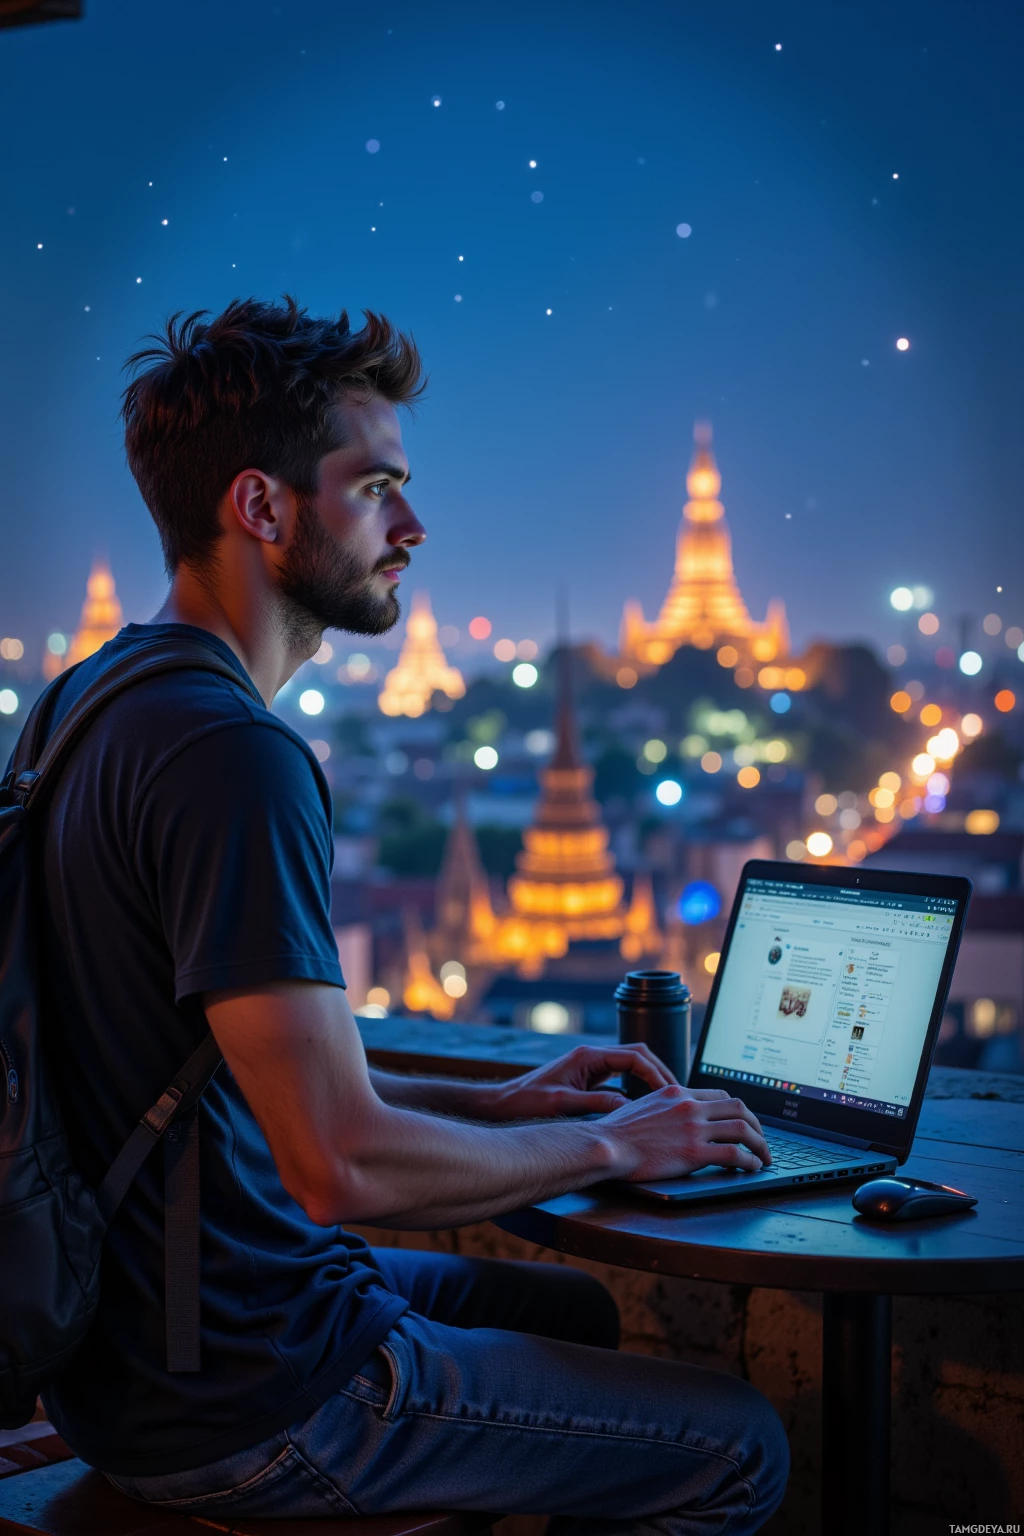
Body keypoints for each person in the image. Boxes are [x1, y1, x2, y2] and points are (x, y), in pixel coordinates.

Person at [35, 297, 788, 1534]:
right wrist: (618, 1145)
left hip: (120, 1347)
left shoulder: (83, 705)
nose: (413, 526)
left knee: (569, 1316)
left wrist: (493, 1107)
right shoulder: (232, 754)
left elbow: (223, 1081)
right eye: (375, 488)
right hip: (247, 1391)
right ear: (263, 507)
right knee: (741, 1445)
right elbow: (333, 1166)